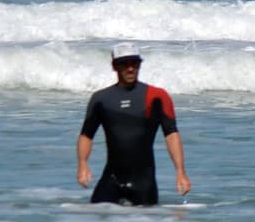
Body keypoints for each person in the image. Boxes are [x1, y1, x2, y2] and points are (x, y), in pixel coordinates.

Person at [77, 43, 191, 205]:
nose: (130, 68)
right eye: (124, 64)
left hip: (143, 183)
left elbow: (171, 134)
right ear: (114, 66)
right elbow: (86, 135)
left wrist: (180, 171)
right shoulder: (100, 99)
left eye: (134, 63)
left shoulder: (157, 96)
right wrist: (83, 164)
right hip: (111, 180)